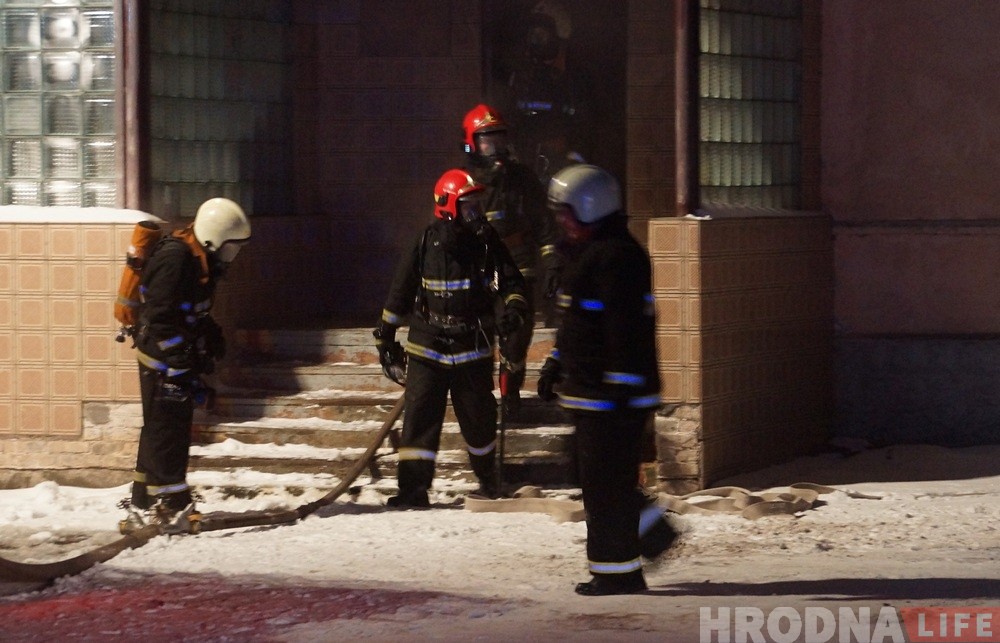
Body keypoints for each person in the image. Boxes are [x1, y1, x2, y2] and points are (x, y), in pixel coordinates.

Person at [536, 165, 677, 596]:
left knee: (605, 489)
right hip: (591, 392)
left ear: (591, 207)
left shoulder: (618, 257)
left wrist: (620, 388)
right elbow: (577, 324)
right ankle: (652, 535)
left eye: (567, 213)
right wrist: (555, 361)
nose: (562, 221)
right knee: (597, 479)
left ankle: (618, 574)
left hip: (612, 398)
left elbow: (625, 330)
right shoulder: (586, 254)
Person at [374, 169, 528, 507]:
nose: (476, 212)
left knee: (479, 420)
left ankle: (488, 481)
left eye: (477, 205)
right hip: (427, 346)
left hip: (471, 347)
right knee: (419, 421)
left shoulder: (486, 243)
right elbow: (400, 292)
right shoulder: (425, 242)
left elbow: (512, 282)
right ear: (448, 206)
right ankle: (413, 491)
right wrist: (385, 337)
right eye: (468, 205)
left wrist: (513, 309)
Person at [123, 198, 251, 532]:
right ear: (213, 237)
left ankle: (142, 503)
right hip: (161, 358)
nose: (231, 256)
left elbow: (189, 307)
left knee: (161, 429)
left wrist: (211, 333)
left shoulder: (198, 259)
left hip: (173, 357)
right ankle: (171, 505)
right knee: (168, 432)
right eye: (230, 248)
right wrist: (179, 357)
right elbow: (160, 316)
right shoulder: (175, 259)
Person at [462, 103, 562, 418]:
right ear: (472, 143)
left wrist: (552, 260)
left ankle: (510, 391)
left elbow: (543, 222)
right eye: (486, 139)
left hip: (518, 264)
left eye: (498, 137)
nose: (494, 145)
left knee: (517, 333)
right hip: (478, 266)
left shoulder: (522, 178)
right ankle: (478, 396)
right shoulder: (463, 181)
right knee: (478, 335)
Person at [502, 0, 590, 186]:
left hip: (565, 170)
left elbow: (589, 125)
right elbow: (510, 118)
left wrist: (569, 148)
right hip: (530, 166)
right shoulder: (522, 77)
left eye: (541, 34)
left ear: (559, 34)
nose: (535, 40)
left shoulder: (576, 78)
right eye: (532, 33)